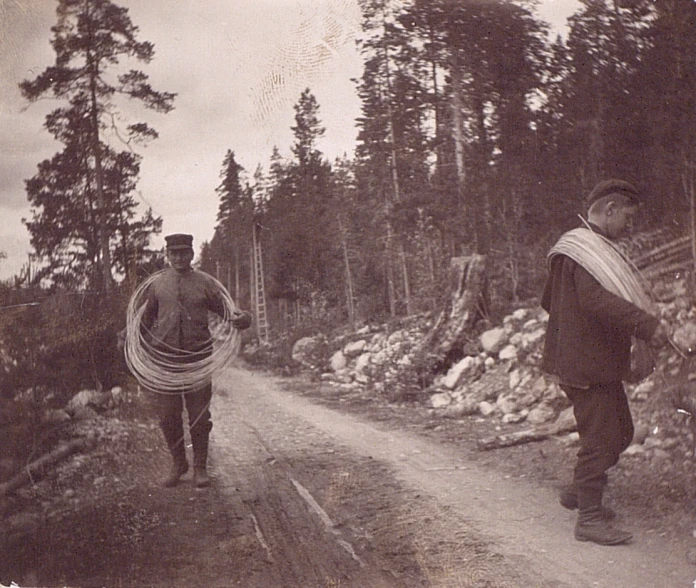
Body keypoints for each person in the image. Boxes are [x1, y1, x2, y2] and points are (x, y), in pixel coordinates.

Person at [541, 179, 670, 546]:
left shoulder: (583, 251)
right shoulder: (585, 252)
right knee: (600, 440)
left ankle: (580, 493)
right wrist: (644, 325)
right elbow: (595, 301)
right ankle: (589, 519)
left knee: (622, 433)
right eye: (627, 217)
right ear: (610, 210)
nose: (630, 226)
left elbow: (549, 301)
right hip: (584, 367)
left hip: (593, 363)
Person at [136, 233, 251, 488]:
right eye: (173, 253)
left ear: (191, 254)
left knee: (199, 416)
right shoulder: (158, 285)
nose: (179, 257)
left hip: (197, 359)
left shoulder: (205, 285)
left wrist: (244, 319)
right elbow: (146, 319)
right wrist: (130, 339)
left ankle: (200, 468)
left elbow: (228, 314)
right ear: (167, 255)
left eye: (183, 252)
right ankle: (178, 464)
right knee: (168, 416)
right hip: (165, 361)